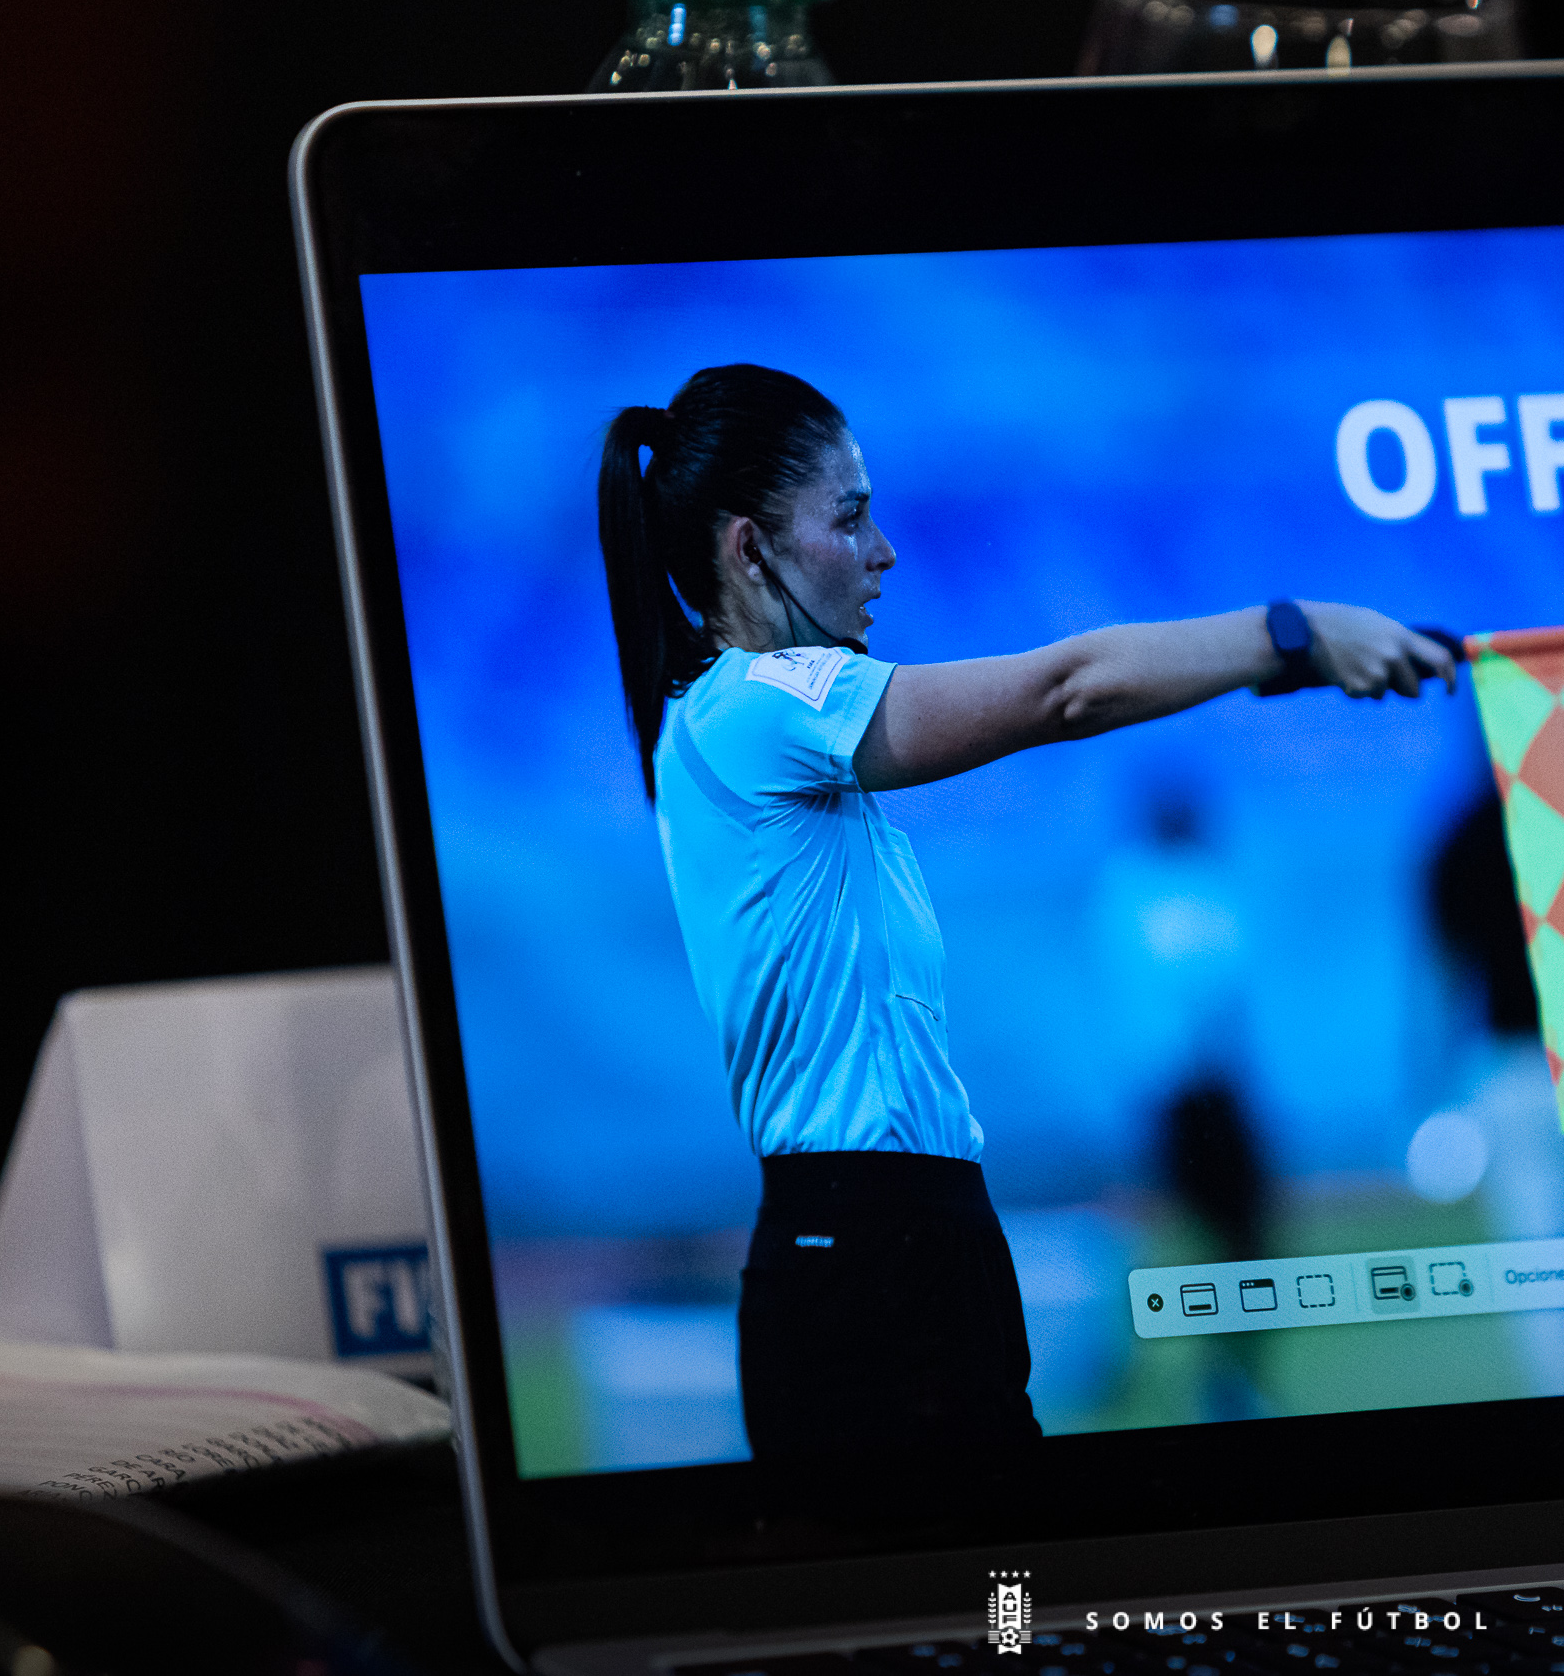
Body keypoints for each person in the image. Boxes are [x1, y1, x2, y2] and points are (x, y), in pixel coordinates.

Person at [596, 364, 1457, 1458]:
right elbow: (1066, 689)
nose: (882, 551)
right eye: (850, 518)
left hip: (889, 1239)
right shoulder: (758, 710)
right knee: (996, 1571)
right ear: (749, 549)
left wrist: (1284, 659)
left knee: (1004, 1568)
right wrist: (1295, 631)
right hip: (867, 1250)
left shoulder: (735, 724)